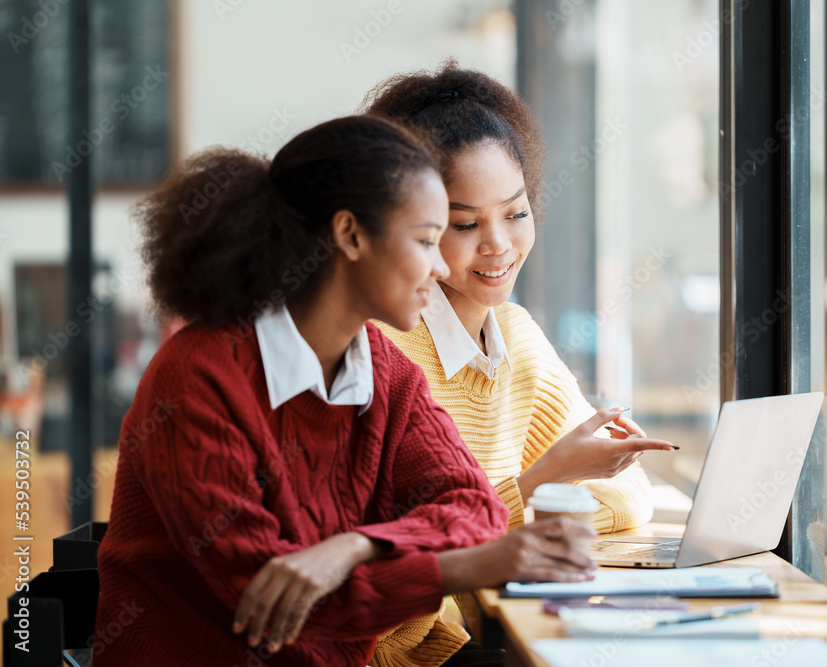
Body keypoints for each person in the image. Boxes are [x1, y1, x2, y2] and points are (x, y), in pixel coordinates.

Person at [95, 115, 596, 667]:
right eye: (428, 239)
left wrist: (355, 546)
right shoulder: (198, 375)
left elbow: (475, 508)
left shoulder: (385, 371)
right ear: (351, 235)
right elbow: (276, 601)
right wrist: (474, 565)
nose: (439, 265)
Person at [361, 63, 678, 667]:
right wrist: (543, 484)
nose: (499, 244)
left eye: (516, 211)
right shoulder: (386, 348)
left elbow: (631, 499)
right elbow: (396, 562)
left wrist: (541, 493)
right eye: (465, 224)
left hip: (487, 636)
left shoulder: (515, 335)